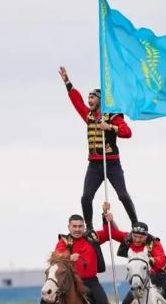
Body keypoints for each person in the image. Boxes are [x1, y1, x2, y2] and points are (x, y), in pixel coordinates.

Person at [59, 66, 138, 230]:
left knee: (122, 195)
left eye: (92, 97)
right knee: (86, 197)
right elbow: (77, 102)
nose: (89, 100)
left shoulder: (113, 116)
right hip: (94, 165)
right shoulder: (88, 116)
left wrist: (109, 127)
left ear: (101, 100)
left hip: (112, 164)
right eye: (89, 97)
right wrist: (68, 83)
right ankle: (89, 228)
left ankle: (135, 223)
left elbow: (127, 132)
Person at [36, 209, 116, 304]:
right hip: (71, 283)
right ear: (69, 227)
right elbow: (57, 257)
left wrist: (107, 218)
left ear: (84, 227)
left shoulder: (92, 237)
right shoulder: (64, 241)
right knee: (45, 302)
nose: (77, 229)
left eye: (80, 226)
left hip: (91, 281)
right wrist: (68, 257)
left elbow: (109, 232)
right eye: (74, 226)